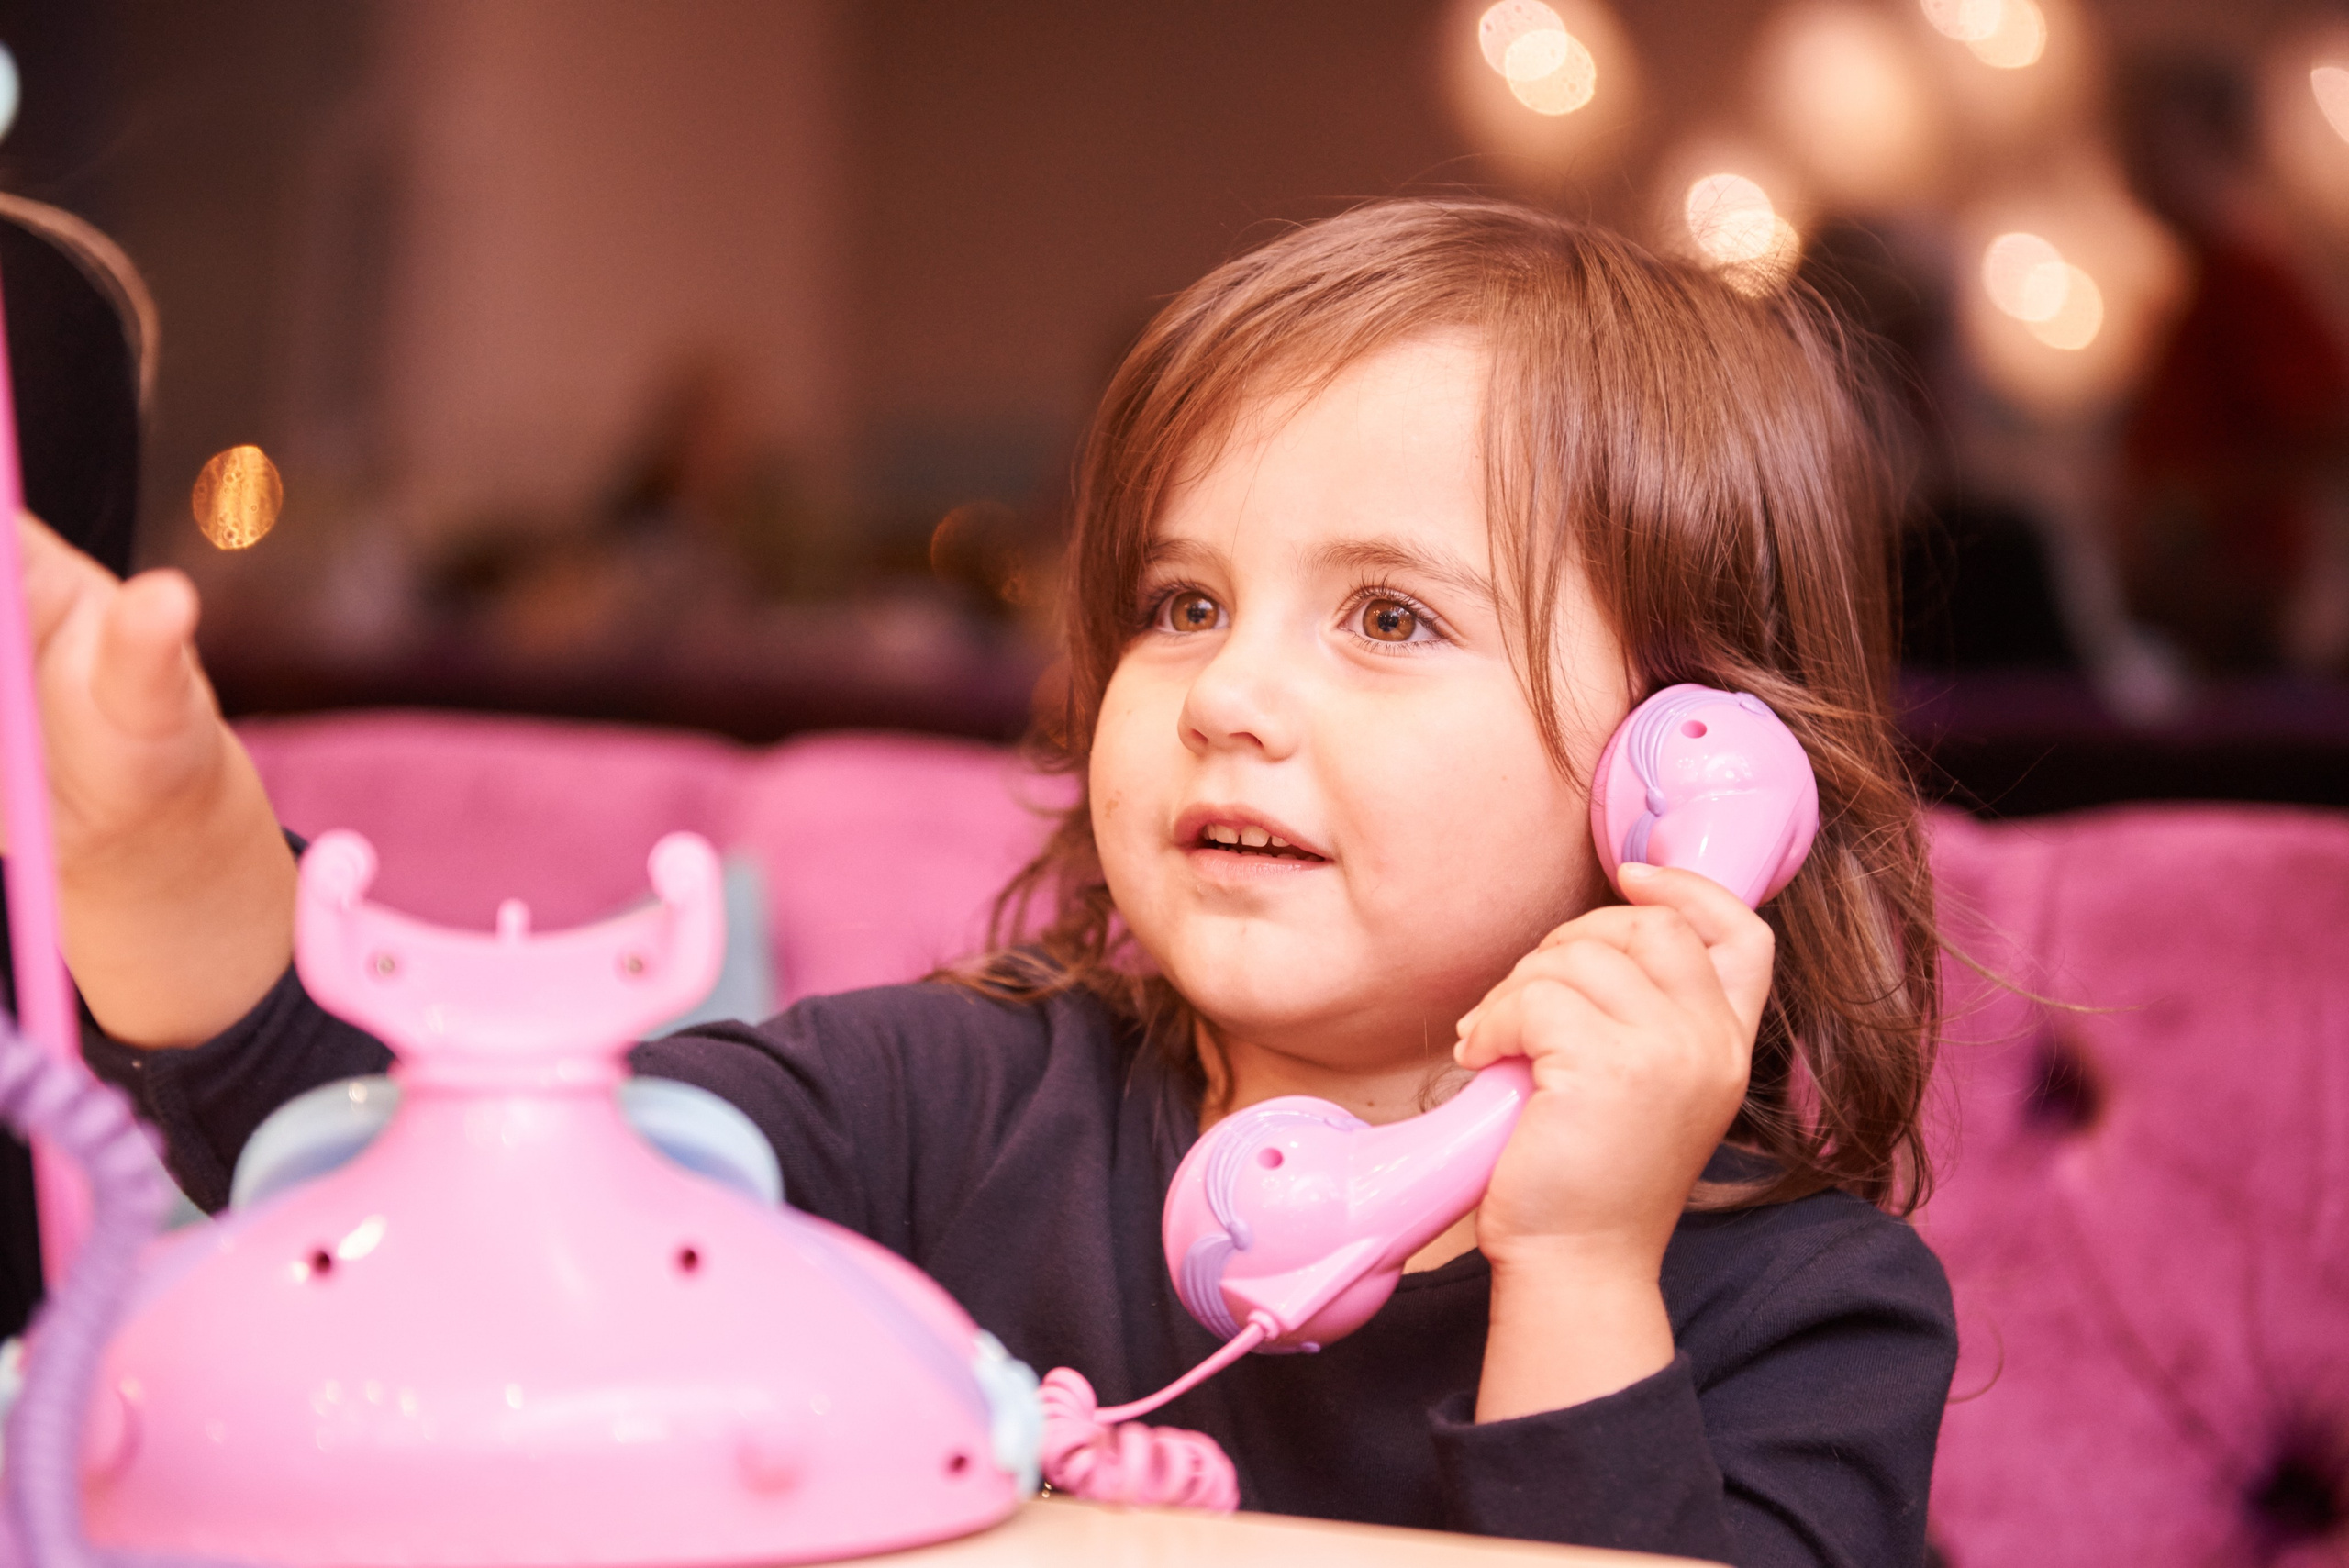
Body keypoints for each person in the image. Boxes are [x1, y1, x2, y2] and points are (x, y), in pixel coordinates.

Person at [24, 200, 1954, 1565]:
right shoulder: (941, 1110)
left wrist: (1583, 1265)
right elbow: (420, 1181)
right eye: (1181, 603)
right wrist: (151, 832)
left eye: (1386, 617)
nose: (1227, 695)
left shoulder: (1816, 1312)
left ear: (1689, 764)